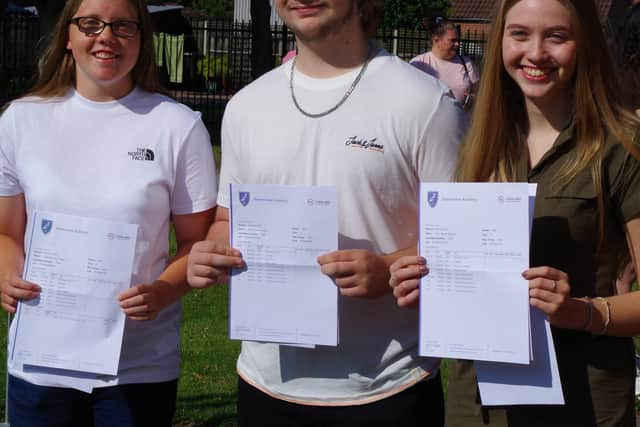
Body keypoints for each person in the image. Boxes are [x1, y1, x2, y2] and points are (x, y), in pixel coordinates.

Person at [186, 0, 465, 425]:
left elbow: (462, 240)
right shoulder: (246, 105)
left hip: (385, 386)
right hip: (265, 383)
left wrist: (387, 270)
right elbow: (227, 219)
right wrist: (214, 249)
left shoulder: (426, 103)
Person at [389, 0, 640, 426]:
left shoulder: (621, 146)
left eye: (556, 36)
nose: (535, 53)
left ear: (585, 45)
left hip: (584, 402)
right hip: (481, 404)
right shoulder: (478, 142)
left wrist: (580, 311)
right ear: (501, 40)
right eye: (519, 34)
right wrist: (419, 275)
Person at [0, 0, 218, 426]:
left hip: (138, 367)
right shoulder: (20, 121)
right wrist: (7, 272)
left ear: (142, 39)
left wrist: (161, 292)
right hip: (42, 362)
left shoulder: (177, 126)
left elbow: (198, 242)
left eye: (123, 26)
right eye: (91, 23)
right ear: (68, 35)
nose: (106, 36)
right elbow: (6, 232)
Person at [410, 18, 479, 110]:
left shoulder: (466, 63)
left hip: (462, 121)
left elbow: (479, 91)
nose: (457, 44)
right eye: (453, 40)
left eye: (457, 40)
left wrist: (473, 98)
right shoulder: (419, 64)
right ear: (437, 41)